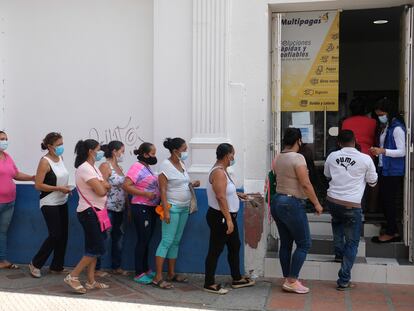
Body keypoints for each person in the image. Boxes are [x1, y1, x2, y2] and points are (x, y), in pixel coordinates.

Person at [270, 128, 323, 294]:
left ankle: (288, 278)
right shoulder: (298, 157)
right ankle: (292, 280)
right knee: (304, 243)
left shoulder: (278, 157)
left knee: (286, 243)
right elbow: (306, 184)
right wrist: (317, 204)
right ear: (298, 140)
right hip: (291, 203)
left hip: (277, 201)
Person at [324, 130, 378, 290]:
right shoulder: (366, 159)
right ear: (355, 141)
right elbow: (372, 181)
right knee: (353, 242)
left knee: (338, 223)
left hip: (332, 200)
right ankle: (343, 279)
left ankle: (338, 254)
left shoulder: (332, 156)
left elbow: (327, 175)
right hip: (351, 204)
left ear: (339, 143)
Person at [204, 143, 255, 295]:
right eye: (233, 154)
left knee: (235, 246)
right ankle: (209, 283)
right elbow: (220, 196)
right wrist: (229, 220)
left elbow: (225, 192)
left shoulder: (223, 171)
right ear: (228, 155)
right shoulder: (219, 172)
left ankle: (237, 278)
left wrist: (237, 195)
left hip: (226, 216)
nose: (234, 157)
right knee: (215, 249)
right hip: (221, 217)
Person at [63, 139, 111, 294]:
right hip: (89, 212)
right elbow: (101, 190)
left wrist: (103, 184)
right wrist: (103, 185)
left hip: (98, 212)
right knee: (97, 247)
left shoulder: (93, 168)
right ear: (91, 151)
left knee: (93, 247)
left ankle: (91, 281)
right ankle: (73, 276)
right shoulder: (85, 169)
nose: (101, 152)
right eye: (99, 149)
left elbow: (104, 186)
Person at [152, 137, 200, 289]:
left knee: (176, 241)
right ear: (175, 150)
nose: (186, 152)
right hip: (172, 208)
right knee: (166, 241)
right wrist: (166, 210)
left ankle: (171, 273)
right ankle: (158, 277)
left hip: (184, 207)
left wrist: (192, 183)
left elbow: (182, 182)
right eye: (184, 149)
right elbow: (163, 189)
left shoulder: (182, 164)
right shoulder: (165, 166)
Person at [29, 132, 71, 278]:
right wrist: (58, 188)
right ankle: (35, 263)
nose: (61, 147)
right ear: (49, 146)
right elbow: (38, 185)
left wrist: (65, 189)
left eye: (62, 143)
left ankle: (57, 266)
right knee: (55, 234)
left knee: (63, 235)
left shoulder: (61, 158)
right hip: (49, 202)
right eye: (59, 144)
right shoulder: (45, 162)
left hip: (62, 201)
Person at [123, 142, 160, 284]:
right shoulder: (136, 167)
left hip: (151, 208)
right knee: (142, 240)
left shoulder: (147, 168)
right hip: (141, 207)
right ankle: (139, 272)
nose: (154, 156)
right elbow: (126, 185)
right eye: (152, 153)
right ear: (145, 154)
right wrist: (144, 193)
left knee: (147, 240)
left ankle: (146, 269)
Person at [370, 97, 406, 243]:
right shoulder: (387, 127)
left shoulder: (397, 128)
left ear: (388, 112)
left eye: (381, 114)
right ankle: (392, 228)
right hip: (385, 168)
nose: (380, 118)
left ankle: (391, 232)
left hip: (393, 171)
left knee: (389, 201)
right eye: (378, 115)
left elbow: (402, 151)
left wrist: (383, 151)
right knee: (385, 200)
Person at [0, 130, 35, 270]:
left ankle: (2, 260)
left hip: (9, 202)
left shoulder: (7, 157)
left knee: (2, 232)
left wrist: (32, 177)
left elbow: (16, 174)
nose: (4, 141)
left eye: (6, 138)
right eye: (2, 138)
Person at [97, 141, 127, 276]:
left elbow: (124, 188)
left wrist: (128, 207)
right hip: (107, 207)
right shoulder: (105, 165)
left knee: (118, 238)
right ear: (115, 151)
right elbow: (101, 185)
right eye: (122, 151)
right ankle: (97, 268)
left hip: (120, 208)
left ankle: (117, 266)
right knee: (104, 237)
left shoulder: (120, 167)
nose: (123, 154)